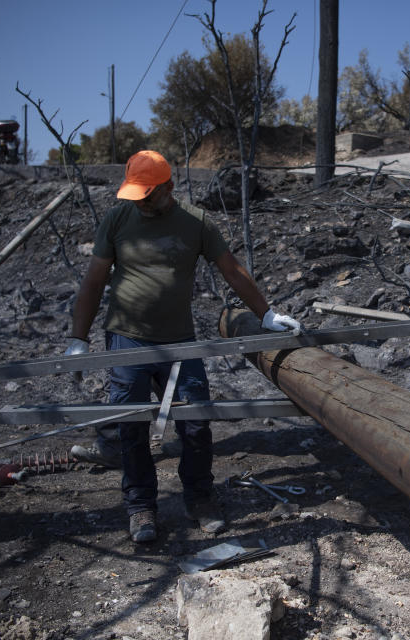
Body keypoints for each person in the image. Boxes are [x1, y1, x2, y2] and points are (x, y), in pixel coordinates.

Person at [66, 150, 300, 543]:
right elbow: (92, 282)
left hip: (179, 340)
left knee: (195, 423)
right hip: (127, 337)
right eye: (135, 193)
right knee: (132, 425)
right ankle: (141, 508)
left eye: (148, 193)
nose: (140, 200)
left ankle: (200, 499)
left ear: (168, 187)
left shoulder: (195, 222)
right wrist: (77, 337)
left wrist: (265, 313)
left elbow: (231, 269)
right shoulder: (117, 218)